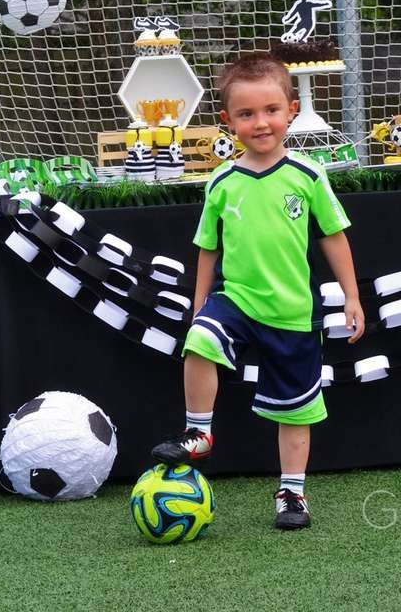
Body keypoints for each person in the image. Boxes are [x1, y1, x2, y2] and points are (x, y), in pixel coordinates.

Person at [152, 52, 365, 530]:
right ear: (228, 122)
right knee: (201, 339)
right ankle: (199, 433)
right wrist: (199, 302)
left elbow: (334, 237)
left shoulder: (309, 176)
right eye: (247, 114)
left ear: (291, 110)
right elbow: (208, 247)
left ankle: (292, 494)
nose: (261, 122)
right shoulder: (221, 182)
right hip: (237, 300)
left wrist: (351, 297)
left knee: (296, 412)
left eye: (271, 110)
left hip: (292, 312)